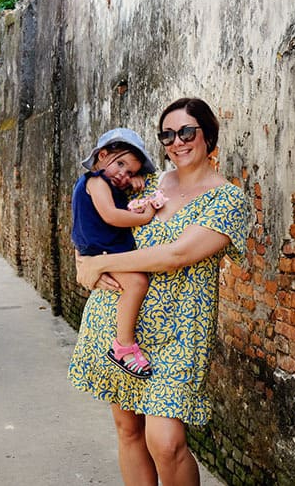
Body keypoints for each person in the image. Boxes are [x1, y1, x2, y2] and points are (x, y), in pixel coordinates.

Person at [68, 98, 250, 486]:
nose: (176, 142)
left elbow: (176, 255)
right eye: (167, 135)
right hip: (120, 324)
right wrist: (83, 262)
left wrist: (100, 265)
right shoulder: (146, 183)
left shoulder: (227, 199)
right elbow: (93, 218)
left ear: (208, 134)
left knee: (165, 442)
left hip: (181, 330)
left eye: (186, 131)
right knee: (128, 429)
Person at [71, 128, 163, 379]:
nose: (124, 174)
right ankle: (123, 345)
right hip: (101, 249)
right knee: (137, 282)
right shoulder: (96, 182)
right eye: (120, 164)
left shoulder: (110, 184)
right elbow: (110, 215)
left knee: (134, 282)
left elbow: (120, 197)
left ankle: (124, 341)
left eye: (131, 171)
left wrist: (132, 184)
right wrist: (143, 217)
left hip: (103, 248)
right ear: (102, 156)